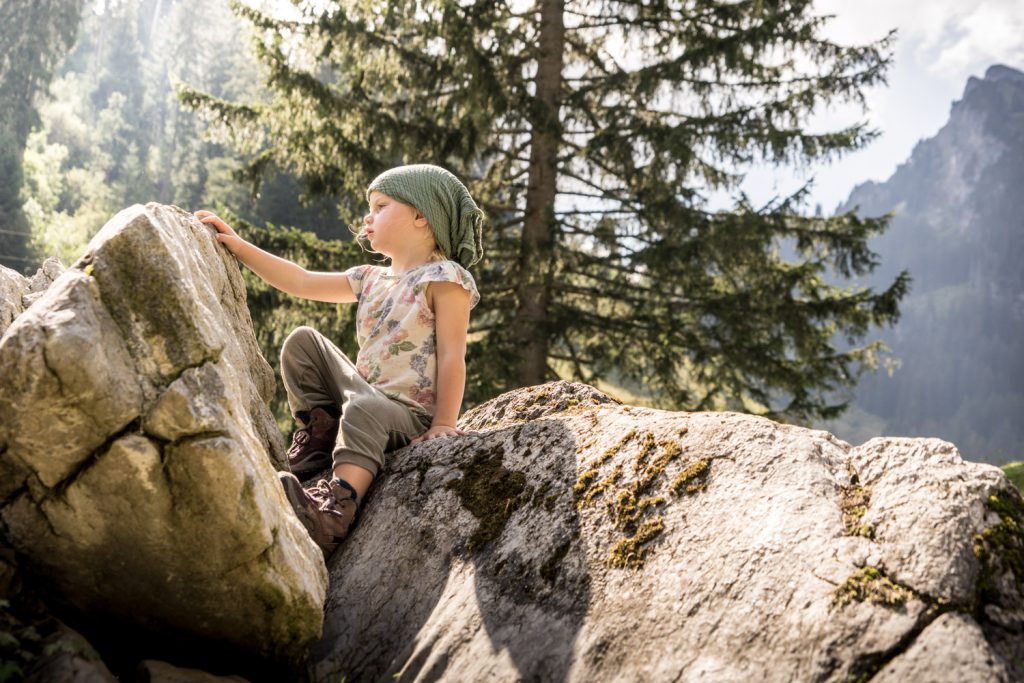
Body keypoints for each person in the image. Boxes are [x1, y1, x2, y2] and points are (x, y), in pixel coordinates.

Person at [195, 164, 483, 555]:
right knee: (303, 342)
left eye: (381, 206)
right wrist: (239, 246)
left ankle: (335, 508)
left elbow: (453, 353)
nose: (368, 216)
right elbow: (301, 281)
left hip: (406, 414)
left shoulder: (446, 278)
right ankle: (322, 435)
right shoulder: (368, 277)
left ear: (421, 215)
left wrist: (444, 423)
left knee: (365, 406)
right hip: (363, 396)